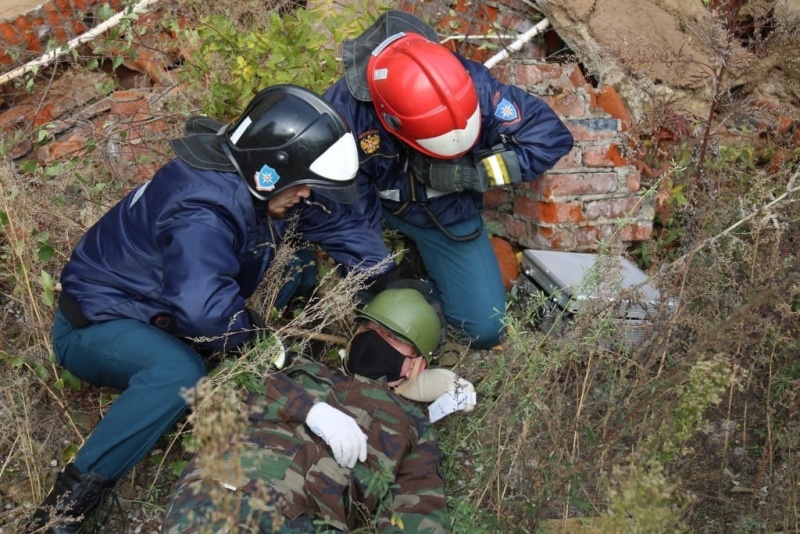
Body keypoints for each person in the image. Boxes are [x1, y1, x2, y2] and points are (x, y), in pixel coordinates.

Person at [25, 84, 374, 534]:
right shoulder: (203, 209)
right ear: (269, 168)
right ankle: (61, 512)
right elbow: (206, 313)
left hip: (151, 307)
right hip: (94, 324)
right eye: (302, 182)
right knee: (178, 371)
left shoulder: (239, 180)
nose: (307, 194)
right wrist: (302, 403)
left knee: (293, 260)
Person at [321, 10, 575, 349]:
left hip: (443, 211)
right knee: (377, 303)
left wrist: (473, 174)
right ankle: (399, 273)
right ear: (391, 121)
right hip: (370, 207)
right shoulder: (345, 114)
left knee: (484, 330)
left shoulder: (471, 85)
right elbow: (345, 214)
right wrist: (383, 279)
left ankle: (424, 267)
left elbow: (550, 137)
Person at [160, 287, 473, 533]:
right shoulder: (296, 364)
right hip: (221, 485)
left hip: (306, 519)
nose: (374, 340)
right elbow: (223, 384)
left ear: (416, 363)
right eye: (369, 328)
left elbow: (418, 510)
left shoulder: (412, 424)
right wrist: (308, 409)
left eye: (392, 338)